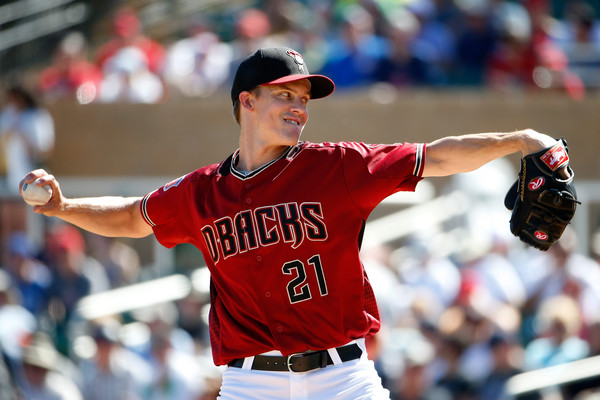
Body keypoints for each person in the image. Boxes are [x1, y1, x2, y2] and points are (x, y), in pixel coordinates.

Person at [20, 46, 571, 399]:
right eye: (284, 94)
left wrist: (521, 140)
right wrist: (63, 207)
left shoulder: (337, 166)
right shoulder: (201, 192)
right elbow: (132, 218)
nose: (299, 107)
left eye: (304, 97)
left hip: (342, 380)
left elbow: (438, 155)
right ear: (247, 102)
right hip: (248, 384)